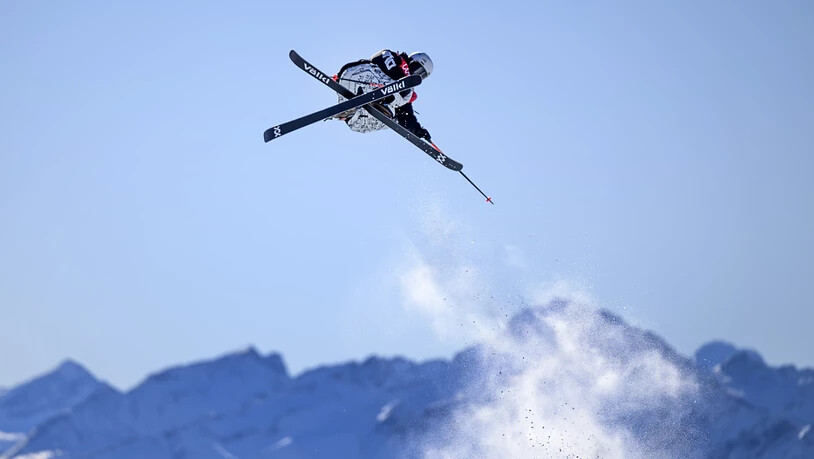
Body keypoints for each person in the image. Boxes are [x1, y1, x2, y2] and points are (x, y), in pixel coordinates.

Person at [332, 50, 433, 141]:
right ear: (412, 61)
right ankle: (376, 99)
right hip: (356, 76)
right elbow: (379, 58)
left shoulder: (405, 93)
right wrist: (401, 81)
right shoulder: (394, 58)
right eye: (418, 69)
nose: (416, 74)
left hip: (352, 94)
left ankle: (352, 114)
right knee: (406, 93)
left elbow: (406, 116)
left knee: (393, 119)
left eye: (421, 75)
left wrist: (417, 130)